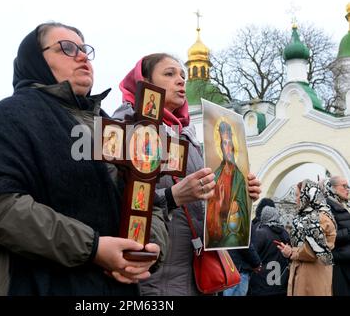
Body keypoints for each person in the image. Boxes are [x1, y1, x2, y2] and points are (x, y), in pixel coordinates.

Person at [0, 22, 166, 296]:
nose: (82, 56)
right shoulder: (8, 119)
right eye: (67, 48)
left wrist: (146, 247)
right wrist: (93, 248)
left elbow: (147, 194)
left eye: (84, 49)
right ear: (35, 61)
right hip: (33, 285)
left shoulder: (112, 129)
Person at [113, 53, 261, 296]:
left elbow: (203, 202)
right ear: (145, 81)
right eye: (169, 74)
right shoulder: (129, 127)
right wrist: (171, 197)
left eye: (182, 75)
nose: (181, 80)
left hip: (198, 273)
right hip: (153, 276)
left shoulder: (187, 136)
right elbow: (116, 199)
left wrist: (238, 195)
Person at [277, 179, 336, 296]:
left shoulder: (320, 218)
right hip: (306, 274)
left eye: (298, 195)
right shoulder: (307, 217)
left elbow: (313, 251)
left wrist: (291, 252)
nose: (296, 199)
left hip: (313, 277)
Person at [206, 121, 250, 248]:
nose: (228, 148)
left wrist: (237, 206)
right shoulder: (215, 175)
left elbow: (244, 212)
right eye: (224, 143)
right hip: (217, 230)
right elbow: (208, 207)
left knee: (232, 241)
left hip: (233, 231)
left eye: (230, 143)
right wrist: (217, 205)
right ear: (220, 146)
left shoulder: (239, 177)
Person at [248, 205, 290, 296]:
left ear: (264, 217)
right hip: (281, 285)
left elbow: (252, 255)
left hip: (261, 285)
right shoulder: (285, 233)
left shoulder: (261, 233)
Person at [322, 176, 350, 296]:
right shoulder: (327, 208)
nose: (348, 189)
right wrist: (348, 233)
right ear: (332, 189)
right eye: (344, 186)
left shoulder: (344, 206)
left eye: (348, 186)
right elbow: (325, 237)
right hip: (338, 264)